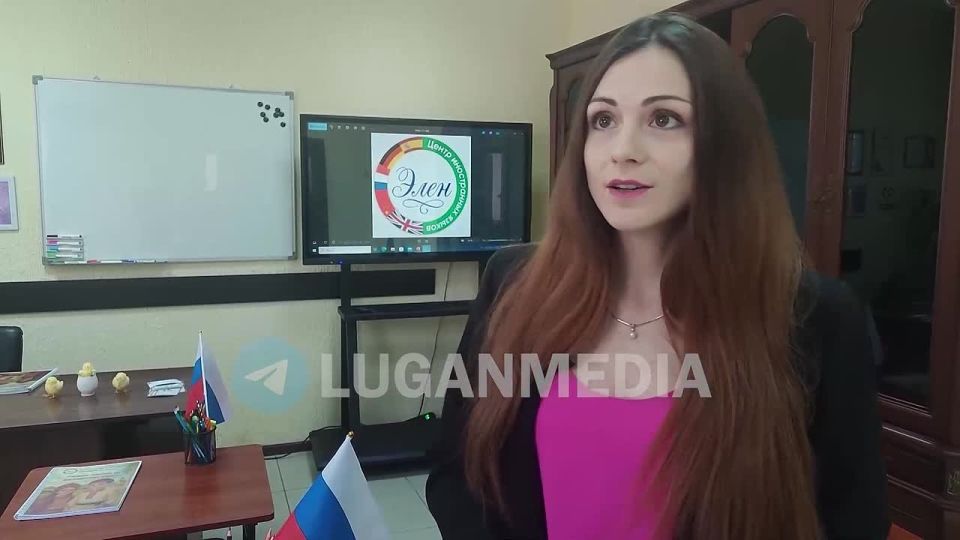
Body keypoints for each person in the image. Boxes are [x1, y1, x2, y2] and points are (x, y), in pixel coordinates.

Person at [425, 13, 889, 540]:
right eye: (603, 120)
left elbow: (853, 518)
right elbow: (455, 471)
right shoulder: (512, 282)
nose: (623, 149)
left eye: (664, 119)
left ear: (726, 146)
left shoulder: (816, 318)